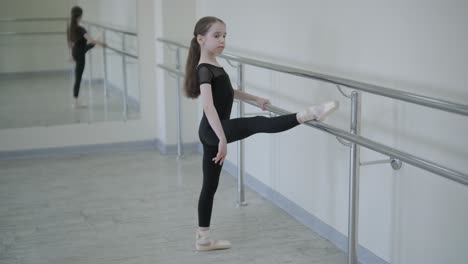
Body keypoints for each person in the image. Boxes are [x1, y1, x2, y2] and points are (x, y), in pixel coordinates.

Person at [184, 16, 339, 251]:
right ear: (200, 39)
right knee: (256, 123)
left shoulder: (214, 65)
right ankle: (309, 114)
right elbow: (208, 106)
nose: (222, 40)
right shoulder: (204, 69)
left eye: (225, 35)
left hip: (212, 130)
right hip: (213, 131)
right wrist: (222, 140)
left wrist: (254, 98)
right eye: (217, 36)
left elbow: (227, 91)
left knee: (210, 186)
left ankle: (203, 239)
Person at [67, 6, 106, 108]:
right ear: (79, 16)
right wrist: (100, 43)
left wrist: (71, 55)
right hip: (80, 54)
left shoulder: (70, 28)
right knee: (78, 77)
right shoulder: (80, 29)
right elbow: (91, 40)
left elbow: (70, 43)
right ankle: (75, 101)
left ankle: (100, 37)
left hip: (77, 51)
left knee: (89, 46)